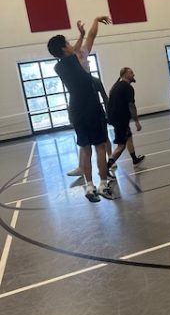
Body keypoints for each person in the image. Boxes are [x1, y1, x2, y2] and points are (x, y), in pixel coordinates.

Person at [47, 16, 114, 202]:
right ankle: (103, 184)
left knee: (85, 149)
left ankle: (89, 187)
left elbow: (75, 49)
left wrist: (80, 36)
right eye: (67, 43)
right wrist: (93, 23)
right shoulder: (78, 57)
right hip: (91, 106)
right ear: (64, 48)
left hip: (75, 110)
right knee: (100, 146)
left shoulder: (58, 67)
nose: (71, 44)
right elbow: (91, 36)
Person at [66, 20, 113, 177]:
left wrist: (96, 20)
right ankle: (82, 167)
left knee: (102, 136)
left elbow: (92, 35)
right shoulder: (70, 60)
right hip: (80, 96)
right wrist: (81, 34)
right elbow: (74, 46)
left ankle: (110, 162)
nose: (74, 47)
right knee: (84, 138)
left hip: (90, 90)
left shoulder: (83, 53)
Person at [107, 67, 145, 170]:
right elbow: (131, 105)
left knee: (129, 137)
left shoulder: (117, 86)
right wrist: (137, 121)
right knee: (121, 145)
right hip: (120, 120)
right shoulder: (127, 88)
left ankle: (134, 160)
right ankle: (107, 167)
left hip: (117, 118)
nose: (134, 74)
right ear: (124, 75)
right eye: (131, 73)